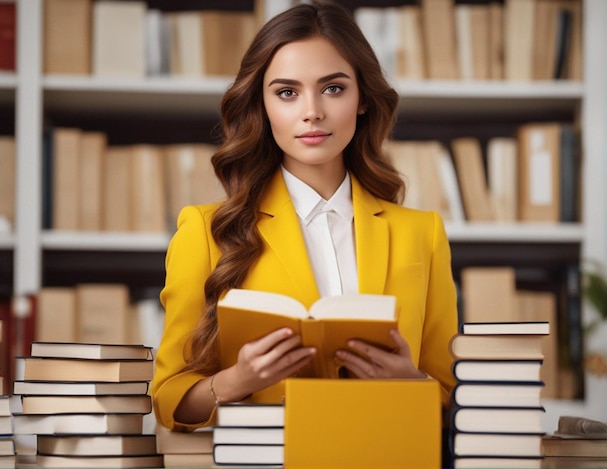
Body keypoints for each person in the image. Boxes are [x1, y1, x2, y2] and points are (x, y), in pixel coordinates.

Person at [152, 0, 458, 432]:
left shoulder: (422, 234)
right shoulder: (205, 231)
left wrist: (411, 381)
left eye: (333, 88)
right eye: (287, 92)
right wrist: (238, 380)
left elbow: (452, 397)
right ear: (263, 104)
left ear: (363, 99)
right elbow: (168, 400)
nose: (311, 111)